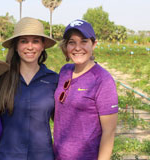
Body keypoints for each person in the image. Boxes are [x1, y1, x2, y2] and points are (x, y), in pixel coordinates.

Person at [53, 19, 118, 160]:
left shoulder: (102, 79)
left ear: (93, 44)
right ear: (66, 46)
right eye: (72, 42)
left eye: (83, 41)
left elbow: (109, 131)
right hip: (58, 155)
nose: (77, 47)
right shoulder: (65, 71)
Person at [0, 17, 58, 160]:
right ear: (16, 46)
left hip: (43, 156)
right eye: (24, 41)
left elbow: (63, 120)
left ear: (43, 45)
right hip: (7, 156)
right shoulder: (1, 79)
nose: (30, 47)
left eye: (35, 41)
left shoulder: (54, 80)